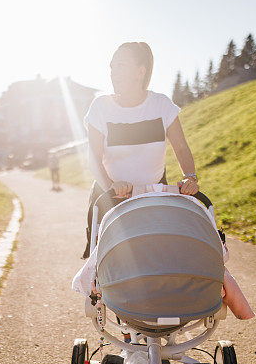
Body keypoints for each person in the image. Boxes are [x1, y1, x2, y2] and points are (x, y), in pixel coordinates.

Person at [82, 41, 200, 259]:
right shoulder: (100, 108)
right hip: (110, 197)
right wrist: (111, 186)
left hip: (153, 196)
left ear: (140, 72)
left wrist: (190, 177)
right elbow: (93, 159)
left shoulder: (162, 105)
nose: (113, 73)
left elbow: (181, 147)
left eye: (121, 66)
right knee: (107, 265)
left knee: (158, 260)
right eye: (111, 67)